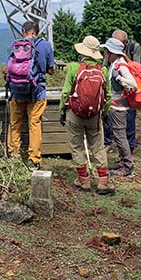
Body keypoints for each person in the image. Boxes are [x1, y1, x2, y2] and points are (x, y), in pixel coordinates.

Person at [59, 35, 113, 195]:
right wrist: (105, 112)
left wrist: (62, 112)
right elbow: (108, 95)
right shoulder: (102, 70)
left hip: (74, 114)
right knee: (98, 147)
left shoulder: (74, 68)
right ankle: (103, 182)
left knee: (77, 147)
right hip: (94, 116)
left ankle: (84, 181)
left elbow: (65, 93)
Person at [6, 20, 55, 169]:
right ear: (38, 32)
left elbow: (8, 68)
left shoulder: (17, 45)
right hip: (36, 92)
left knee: (15, 124)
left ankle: (13, 156)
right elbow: (51, 70)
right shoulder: (45, 45)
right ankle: (34, 159)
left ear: (23, 31)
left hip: (16, 91)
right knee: (34, 124)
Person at [101, 37, 139, 178]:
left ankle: (128, 166)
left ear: (113, 52)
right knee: (118, 136)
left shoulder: (121, 65)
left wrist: (120, 79)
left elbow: (134, 84)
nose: (105, 54)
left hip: (120, 108)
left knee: (120, 136)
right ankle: (123, 162)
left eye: (107, 51)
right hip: (115, 106)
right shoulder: (115, 63)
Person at [103, 29, 141, 152]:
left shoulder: (134, 47)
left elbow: (136, 68)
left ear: (125, 42)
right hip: (115, 93)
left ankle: (129, 147)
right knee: (109, 120)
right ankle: (108, 142)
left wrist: (122, 60)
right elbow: (105, 65)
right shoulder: (111, 54)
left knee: (129, 119)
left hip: (128, 93)